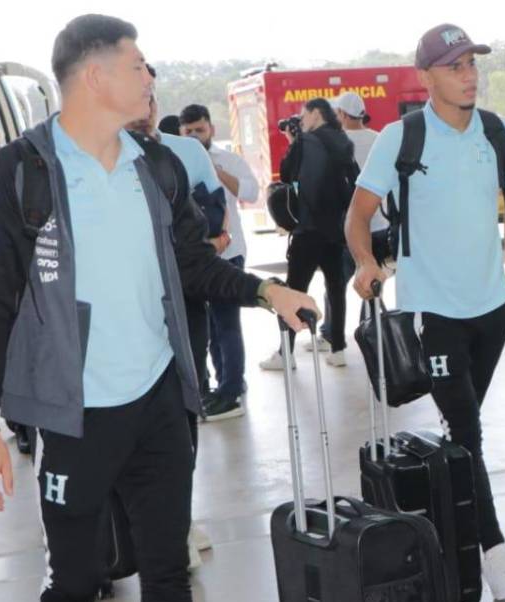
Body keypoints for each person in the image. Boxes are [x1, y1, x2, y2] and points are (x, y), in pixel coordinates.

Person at [0, 14, 317, 602]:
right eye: (137, 65)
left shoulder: (153, 166)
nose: (149, 78)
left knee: (166, 569)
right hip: (75, 412)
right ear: (95, 76)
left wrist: (265, 290)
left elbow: (191, 264)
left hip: (159, 398)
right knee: (78, 581)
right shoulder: (21, 173)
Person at [348, 23, 505, 601]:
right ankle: (494, 552)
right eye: (455, 66)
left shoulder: (500, 135)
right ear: (425, 76)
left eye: (472, 64)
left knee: (462, 434)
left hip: (492, 311)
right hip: (432, 314)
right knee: (467, 429)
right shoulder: (401, 139)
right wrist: (363, 263)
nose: (469, 75)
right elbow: (357, 217)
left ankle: (448, 521)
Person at [127, 84, 227, 565]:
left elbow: (212, 210)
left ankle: (179, 517)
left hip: (187, 305)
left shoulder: (183, 154)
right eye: (135, 101)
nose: (144, 112)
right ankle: (152, 526)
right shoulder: (101, 164)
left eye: (149, 101)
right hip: (136, 318)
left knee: (187, 411)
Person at [260, 97, 357, 371]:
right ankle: (338, 348)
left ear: (316, 114)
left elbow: (289, 175)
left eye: (303, 116)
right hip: (336, 229)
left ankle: (285, 353)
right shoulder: (342, 141)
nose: (300, 122)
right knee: (336, 288)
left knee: (294, 290)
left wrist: (294, 142)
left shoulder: (307, 142)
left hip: (309, 227)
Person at [181, 103, 260, 422]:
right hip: (199, 257)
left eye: (200, 129)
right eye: (188, 132)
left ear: (211, 128)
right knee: (211, 327)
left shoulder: (228, 159)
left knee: (228, 324)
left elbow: (252, 193)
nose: (195, 136)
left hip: (230, 253)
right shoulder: (179, 160)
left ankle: (230, 392)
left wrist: (216, 171)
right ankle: (224, 383)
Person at [326, 91, 390, 349]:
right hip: (379, 226)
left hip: (348, 227)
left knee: (336, 286)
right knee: (372, 281)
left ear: (341, 114)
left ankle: (334, 337)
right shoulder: (379, 139)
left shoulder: (334, 143)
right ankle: (373, 331)